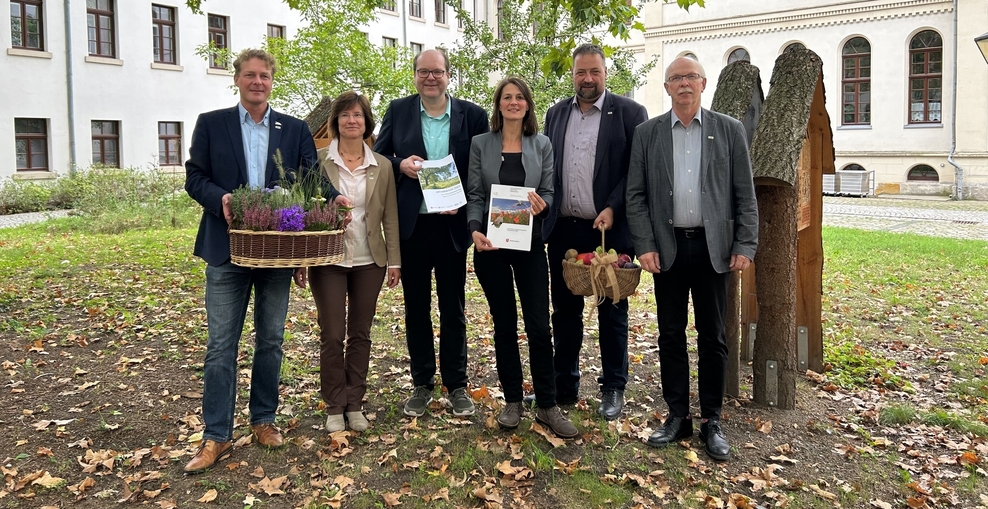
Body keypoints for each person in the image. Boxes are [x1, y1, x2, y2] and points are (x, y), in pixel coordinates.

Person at [183, 49, 351, 474]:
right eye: (249, 75)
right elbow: (194, 176)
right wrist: (218, 198)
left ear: (272, 81)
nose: (257, 82)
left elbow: (313, 179)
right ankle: (216, 435)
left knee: (271, 340)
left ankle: (263, 420)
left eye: (264, 76)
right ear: (236, 79)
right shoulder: (211, 124)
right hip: (226, 250)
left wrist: (336, 200)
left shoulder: (293, 129)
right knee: (221, 345)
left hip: (278, 253)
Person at [625, 56, 758, 461]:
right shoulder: (647, 134)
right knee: (670, 335)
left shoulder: (729, 130)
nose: (684, 84)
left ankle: (712, 419)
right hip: (666, 249)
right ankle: (678, 416)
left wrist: (745, 244)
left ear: (703, 84)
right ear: (666, 87)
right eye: (675, 78)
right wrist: (644, 244)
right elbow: (636, 196)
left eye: (691, 77)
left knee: (713, 337)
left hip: (713, 249)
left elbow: (744, 194)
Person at [374, 49, 489, 418]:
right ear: (414, 76)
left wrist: (468, 205)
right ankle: (422, 382)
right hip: (414, 225)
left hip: (453, 226)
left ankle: (456, 384)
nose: (430, 78)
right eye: (423, 72)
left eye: (437, 72)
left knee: (453, 308)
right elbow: (378, 158)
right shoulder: (398, 110)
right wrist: (399, 164)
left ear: (448, 75)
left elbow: (483, 166)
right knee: (416, 308)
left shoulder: (473, 115)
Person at [539, 44, 648, 421]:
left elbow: (636, 172)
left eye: (594, 72)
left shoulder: (631, 113)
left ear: (605, 72)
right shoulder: (555, 113)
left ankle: (613, 387)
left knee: (612, 311)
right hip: (564, 231)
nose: (587, 79)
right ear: (572, 74)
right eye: (580, 72)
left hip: (609, 232)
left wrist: (613, 207)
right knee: (564, 311)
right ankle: (564, 384)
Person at [466, 77, 578, 438]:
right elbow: (476, 193)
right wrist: (474, 230)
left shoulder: (541, 144)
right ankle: (513, 400)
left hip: (529, 246)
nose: (513, 102)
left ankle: (546, 404)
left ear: (528, 105)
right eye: (506, 97)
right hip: (491, 247)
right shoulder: (480, 144)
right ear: (498, 104)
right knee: (504, 324)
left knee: (538, 326)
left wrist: (542, 205)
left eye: (519, 98)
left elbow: (547, 191)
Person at [295, 91, 401, 433]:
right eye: (345, 116)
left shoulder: (382, 165)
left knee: (360, 333)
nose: (352, 121)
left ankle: (355, 404)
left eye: (357, 115)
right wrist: (300, 259)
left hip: (370, 260)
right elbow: (304, 213)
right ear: (336, 121)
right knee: (331, 334)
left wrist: (395, 261)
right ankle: (334, 404)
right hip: (328, 258)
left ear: (366, 121)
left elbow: (390, 216)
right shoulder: (318, 161)